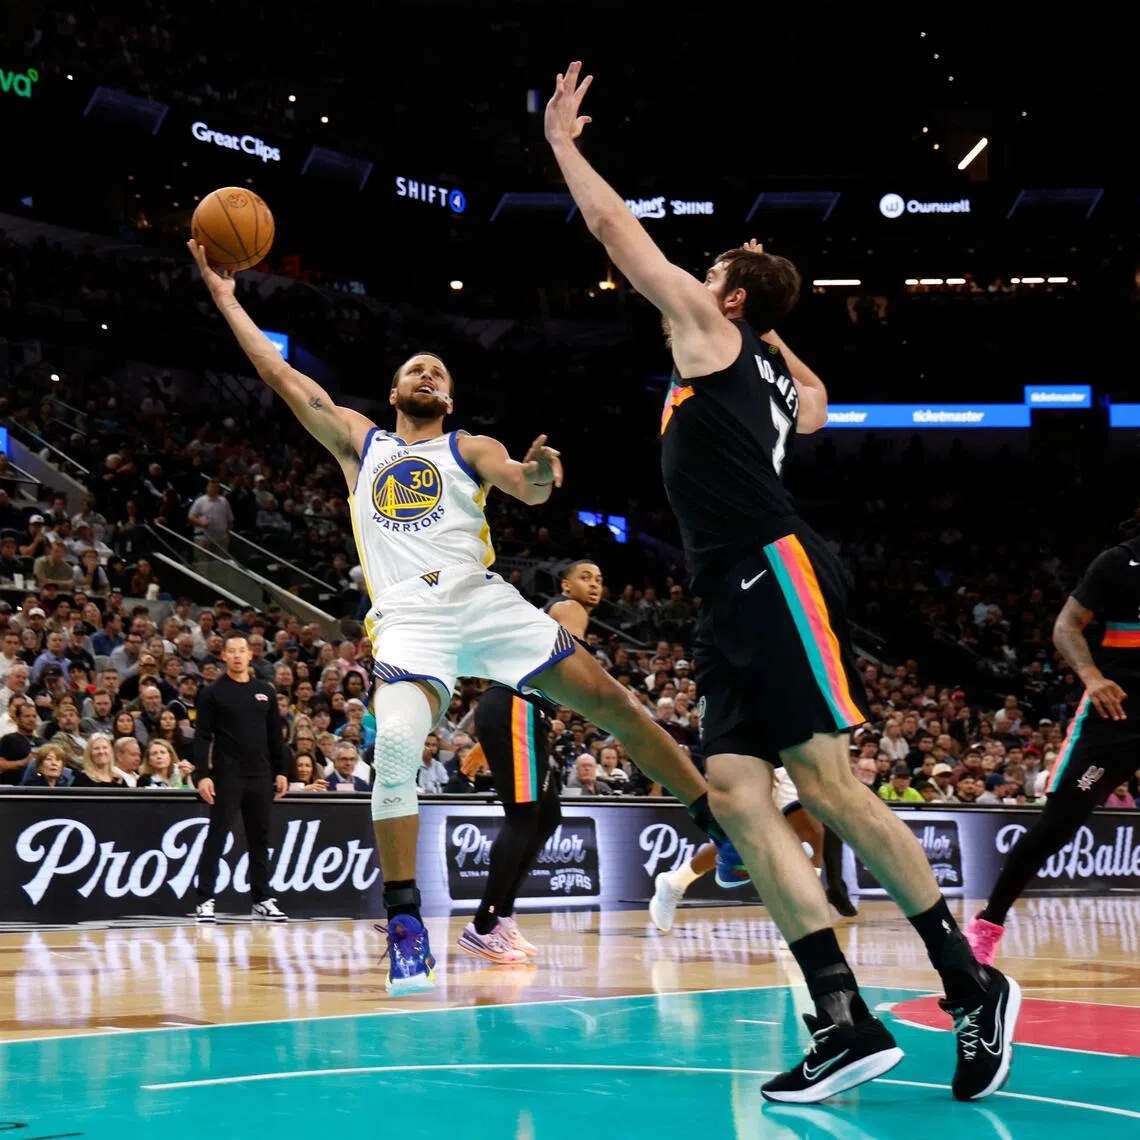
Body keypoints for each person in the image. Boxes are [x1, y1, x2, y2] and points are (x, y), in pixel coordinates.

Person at [545, 60, 1016, 1103]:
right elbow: (817, 396)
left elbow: (619, 234)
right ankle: (842, 1015)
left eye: (713, 270)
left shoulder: (709, 333)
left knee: (832, 785)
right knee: (737, 798)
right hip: (729, 595)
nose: (693, 275)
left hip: (773, 569)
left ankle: (969, 983)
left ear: (729, 297)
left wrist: (564, 146)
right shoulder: (757, 361)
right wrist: (768, 319)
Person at [189, 239, 739, 996]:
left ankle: (718, 824)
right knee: (397, 751)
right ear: (392, 390)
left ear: (448, 399)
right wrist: (225, 296)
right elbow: (280, 377)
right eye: (415, 368)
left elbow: (526, 486)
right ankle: (407, 921)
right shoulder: (362, 443)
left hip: (483, 601)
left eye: (439, 373)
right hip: (410, 618)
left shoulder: (468, 444)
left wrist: (541, 477)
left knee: (613, 700)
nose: (427, 374)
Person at [966, 524, 1140, 964]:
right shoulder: (1118, 561)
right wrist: (1093, 677)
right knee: (1059, 824)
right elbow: (1066, 626)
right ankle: (988, 925)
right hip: (1115, 715)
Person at [457, 561, 601, 964]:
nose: (594, 585)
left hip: (517, 710)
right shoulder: (571, 610)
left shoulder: (551, 617)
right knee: (524, 815)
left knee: (548, 814)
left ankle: (502, 914)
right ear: (565, 585)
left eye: (599, 580)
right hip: (516, 708)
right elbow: (565, 666)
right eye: (585, 578)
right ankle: (481, 926)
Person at [650, 766, 856, 931]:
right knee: (740, 841)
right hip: (757, 760)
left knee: (812, 833)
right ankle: (674, 882)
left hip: (796, 759)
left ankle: (804, 919)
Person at [193, 633, 289, 924]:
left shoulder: (265, 691)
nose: (236, 655)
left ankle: (261, 899)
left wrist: (282, 770)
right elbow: (202, 737)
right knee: (217, 836)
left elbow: (276, 735)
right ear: (223, 656)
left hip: (260, 775)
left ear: (250, 655)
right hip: (227, 775)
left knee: (260, 839)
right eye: (231, 651)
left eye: (241, 650)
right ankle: (204, 899)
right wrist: (202, 775)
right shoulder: (212, 693)